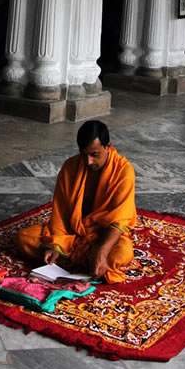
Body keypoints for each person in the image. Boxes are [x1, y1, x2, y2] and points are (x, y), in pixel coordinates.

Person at [15, 120, 136, 284]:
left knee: (122, 253)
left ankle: (83, 260)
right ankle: (83, 262)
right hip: (71, 235)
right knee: (24, 237)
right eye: (84, 155)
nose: (88, 162)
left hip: (101, 238)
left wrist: (102, 251)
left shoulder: (123, 170)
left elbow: (121, 220)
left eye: (95, 155)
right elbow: (60, 214)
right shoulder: (70, 166)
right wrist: (56, 245)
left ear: (108, 146)